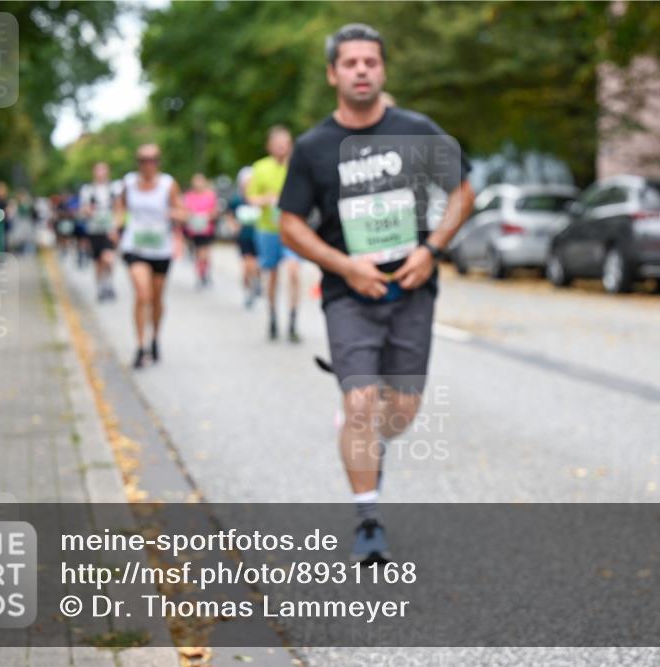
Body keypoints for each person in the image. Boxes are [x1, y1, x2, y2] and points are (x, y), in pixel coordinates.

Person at [278, 24, 474, 562]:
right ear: (332, 74)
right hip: (348, 295)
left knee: (402, 411)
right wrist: (345, 266)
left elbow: (462, 191)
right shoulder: (314, 147)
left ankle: (368, 440)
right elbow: (290, 224)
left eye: (370, 61)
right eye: (350, 62)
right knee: (362, 401)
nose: (361, 69)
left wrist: (430, 250)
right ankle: (368, 518)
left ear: (382, 69)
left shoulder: (416, 130)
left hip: (413, 288)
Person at [114, 143, 185, 369]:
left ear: (158, 162)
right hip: (135, 246)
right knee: (142, 294)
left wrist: (173, 214)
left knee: (156, 298)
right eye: (143, 159)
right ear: (138, 163)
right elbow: (120, 208)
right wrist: (116, 227)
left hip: (160, 248)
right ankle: (140, 345)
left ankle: (155, 338)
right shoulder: (128, 183)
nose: (148, 164)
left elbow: (182, 212)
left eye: (153, 159)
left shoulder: (168, 184)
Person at [247, 126, 303, 342]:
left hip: (293, 229)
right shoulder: (260, 168)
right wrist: (267, 200)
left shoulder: (298, 165)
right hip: (268, 229)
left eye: (285, 143)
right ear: (269, 146)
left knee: (294, 271)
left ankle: (293, 320)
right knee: (272, 275)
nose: (282, 147)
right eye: (278, 143)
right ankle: (272, 317)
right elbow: (251, 198)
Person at [79, 162, 121, 301]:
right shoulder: (87, 189)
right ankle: (100, 287)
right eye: (98, 170)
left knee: (108, 257)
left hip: (109, 229)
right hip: (94, 229)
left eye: (103, 170)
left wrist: (116, 226)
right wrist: (88, 211)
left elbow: (118, 208)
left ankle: (109, 283)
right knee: (97, 261)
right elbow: (83, 208)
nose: (101, 172)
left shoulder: (114, 188)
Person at [228, 166, 261, 308]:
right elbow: (229, 215)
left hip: (259, 236)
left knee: (257, 265)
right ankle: (248, 290)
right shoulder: (237, 200)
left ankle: (256, 283)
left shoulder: (258, 198)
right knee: (247, 265)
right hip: (244, 237)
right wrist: (233, 225)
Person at [183, 173, 219, 288]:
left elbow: (215, 211)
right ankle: (200, 274)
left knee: (205, 252)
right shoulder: (189, 196)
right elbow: (185, 211)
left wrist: (207, 216)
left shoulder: (210, 195)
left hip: (207, 229)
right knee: (199, 253)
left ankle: (205, 272)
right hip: (195, 229)